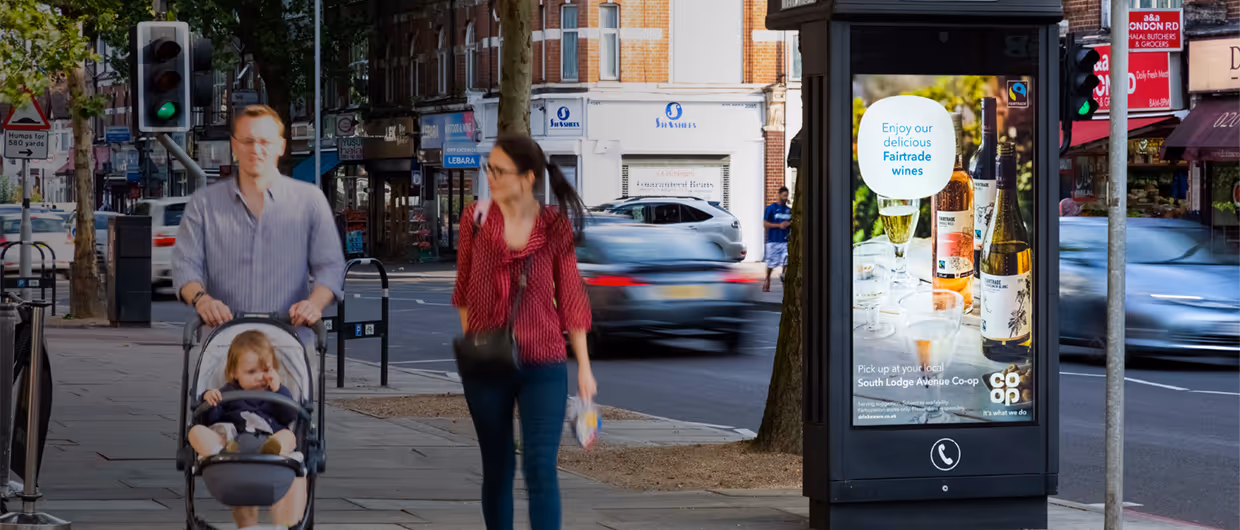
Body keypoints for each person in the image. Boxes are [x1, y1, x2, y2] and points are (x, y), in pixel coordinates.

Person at [173, 104, 345, 530]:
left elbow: (330, 269)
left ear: (281, 146)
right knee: (232, 446)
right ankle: (247, 526)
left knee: (290, 446)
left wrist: (315, 304)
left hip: (289, 351)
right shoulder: (205, 205)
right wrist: (201, 299)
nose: (256, 149)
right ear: (234, 146)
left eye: (266, 141)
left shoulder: (308, 201)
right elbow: (185, 270)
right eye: (248, 141)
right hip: (226, 348)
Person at [453, 135, 597, 530]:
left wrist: (583, 367)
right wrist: (477, 346)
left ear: (527, 177)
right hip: (486, 364)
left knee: (540, 468)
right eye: (489, 168)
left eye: (499, 170)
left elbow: (570, 293)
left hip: (544, 361)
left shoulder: (553, 224)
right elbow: (463, 290)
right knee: (497, 467)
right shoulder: (476, 218)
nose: (491, 177)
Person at [189, 330, 297, 459]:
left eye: (266, 370)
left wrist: (279, 390)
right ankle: (221, 452)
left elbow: (290, 416)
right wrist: (210, 401)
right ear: (235, 372)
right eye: (251, 372)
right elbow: (211, 420)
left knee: (288, 436)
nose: (260, 377)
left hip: (266, 439)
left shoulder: (276, 395)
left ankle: (270, 453)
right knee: (195, 432)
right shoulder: (229, 391)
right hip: (231, 441)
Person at [763, 186, 793, 292]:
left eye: (787, 196)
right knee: (771, 264)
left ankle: (784, 281)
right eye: (784, 196)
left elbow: (792, 223)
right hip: (773, 241)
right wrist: (779, 225)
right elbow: (765, 224)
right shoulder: (771, 208)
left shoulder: (789, 210)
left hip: (784, 241)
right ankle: (767, 280)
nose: (785, 198)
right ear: (779, 195)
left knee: (786, 263)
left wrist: (789, 224)